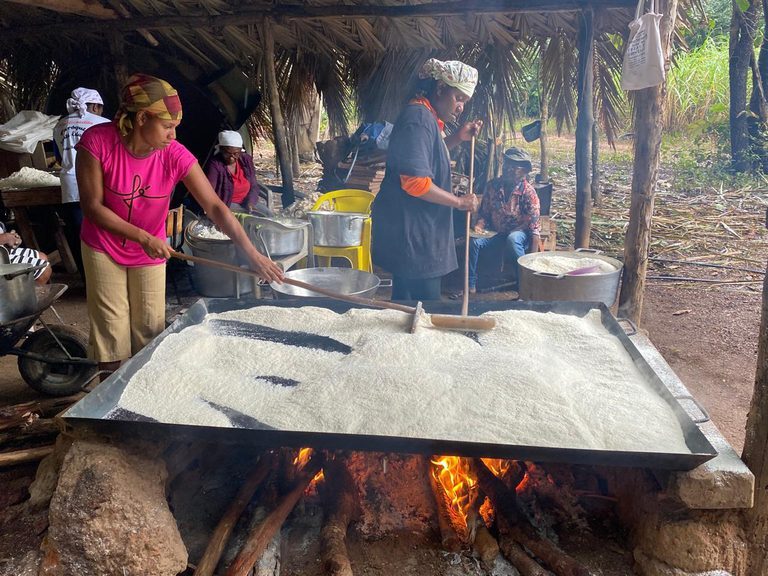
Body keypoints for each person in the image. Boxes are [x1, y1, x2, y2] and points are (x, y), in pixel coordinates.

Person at [76, 73, 284, 378]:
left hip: (149, 249)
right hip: (104, 247)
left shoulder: (174, 154)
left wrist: (253, 255)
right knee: (111, 335)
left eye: (176, 127)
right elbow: (93, 208)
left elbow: (215, 206)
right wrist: (143, 237)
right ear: (142, 118)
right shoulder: (97, 142)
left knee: (149, 330)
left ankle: (144, 391)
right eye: (167, 127)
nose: (173, 135)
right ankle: (108, 396)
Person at [371, 58, 482, 301]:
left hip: (416, 234)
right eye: (458, 98)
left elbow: (428, 156)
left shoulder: (426, 117)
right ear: (440, 88)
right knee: (426, 306)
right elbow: (415, 182)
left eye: (464, 101)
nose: (460, 107)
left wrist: (458, 138)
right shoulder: (418, 119)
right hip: (416, 237)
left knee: (406, 303)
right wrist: (459, 202)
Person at [53, 88, 110, 279]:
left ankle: (87, 280)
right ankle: (105, 277)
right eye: (100, 108)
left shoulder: (60, 125)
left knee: (80, 234)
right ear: (94, 106)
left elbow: (59, 158)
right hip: (97, 185)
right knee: (102, 232)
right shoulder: (103, 124)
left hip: (70, 185)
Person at [467, 147, 541, 293]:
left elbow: (534, 231)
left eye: (514, 166)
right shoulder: (493, 186)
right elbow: (484, 214)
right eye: (507, 164)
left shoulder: (528, 193)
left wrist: (532, 262)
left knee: (513, 239)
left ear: (524, 171)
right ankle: (470, 283)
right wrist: (479, 226)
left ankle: (524, 282)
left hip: (519, 234)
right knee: (474, 242)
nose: (508, 169)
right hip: (497, 233)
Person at [204, 130, 272, 216]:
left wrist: (251, 202)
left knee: (267, 214)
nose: (231, 157)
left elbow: (254, 185)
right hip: (227, 203)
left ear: (240, 151)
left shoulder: (246, 160)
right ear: (221, 150)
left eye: (235, 153)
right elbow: (210, 190)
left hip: (246, 202)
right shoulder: (215, 164)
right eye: (227, 153)